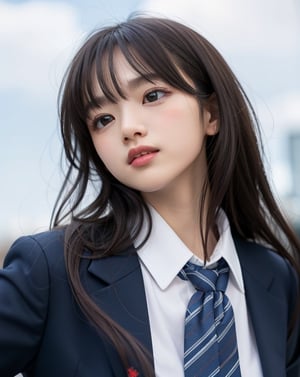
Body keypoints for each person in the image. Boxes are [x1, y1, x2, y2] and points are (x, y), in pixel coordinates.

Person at [0, 15, 299, 377]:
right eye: (103, 119)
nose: (128, 127)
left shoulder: (276, 279)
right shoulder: (50, 272)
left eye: (152, 95)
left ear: (211, 114)